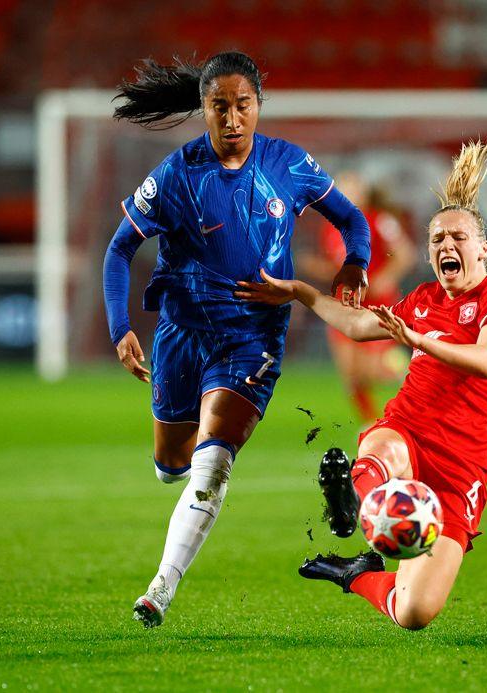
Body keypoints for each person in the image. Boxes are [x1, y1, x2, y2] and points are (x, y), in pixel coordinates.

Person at [103, 52, 371, 628]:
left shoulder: (290, 164)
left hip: (253, 337)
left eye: (242, 105)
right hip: (182, 333)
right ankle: (177, 466)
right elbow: (119, 249)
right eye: (219, 106)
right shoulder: (178, 173)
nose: (231, 119)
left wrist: (356, 263)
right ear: (203, 109)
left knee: (213, 464)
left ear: (258, 107)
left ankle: (159, 590)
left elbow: (352, 220)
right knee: (172, 464)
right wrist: (120, 327)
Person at [236, 137, 487, 630]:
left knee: (413, 612)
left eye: (458, 237)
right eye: (437, 239)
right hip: (411, 430)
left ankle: (356, 573)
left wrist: (420, 339)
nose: (446, 246)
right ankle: (350, 501)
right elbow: (355, 324)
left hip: (463, 468)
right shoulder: (422, 299)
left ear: (483, 248)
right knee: (384, 446)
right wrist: (298, 292)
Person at [300, 172, 416, 421]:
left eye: (351, 189)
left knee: (370, 370)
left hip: (376, 303)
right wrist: (314, 267)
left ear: (363, 193)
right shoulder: (331, 227)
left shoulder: (380, 219)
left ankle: (405, 370)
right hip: (345, 304)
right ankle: (370, 424)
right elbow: (337, 267)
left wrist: (386, 276)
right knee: (350, 377)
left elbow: (405, 254)